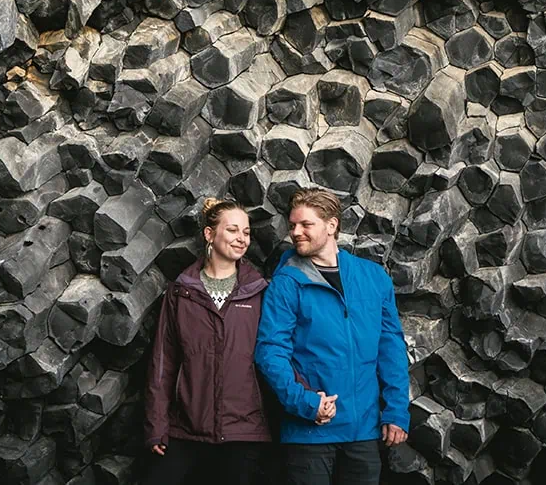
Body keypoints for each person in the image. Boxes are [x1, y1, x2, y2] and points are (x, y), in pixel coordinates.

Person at [254, 187, 411, 485]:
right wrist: (304, 402)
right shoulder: (286, 282)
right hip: (307, 432)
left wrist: (396, 411)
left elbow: (391, 348)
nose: (295, 232)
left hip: (364, 430)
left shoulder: (373, 277)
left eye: (305, 224)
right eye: (292, 225)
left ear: (331, 225)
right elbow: (270, 351)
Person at [143, 197, 274, 485]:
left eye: (246, 232)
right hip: (186, 428)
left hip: (244, 431)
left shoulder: (259, 292)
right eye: (232, 230)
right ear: (209, 234)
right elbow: (163, 362)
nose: (241, 239)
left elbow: (277, 355)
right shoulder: (181, 292)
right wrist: (156, 425)